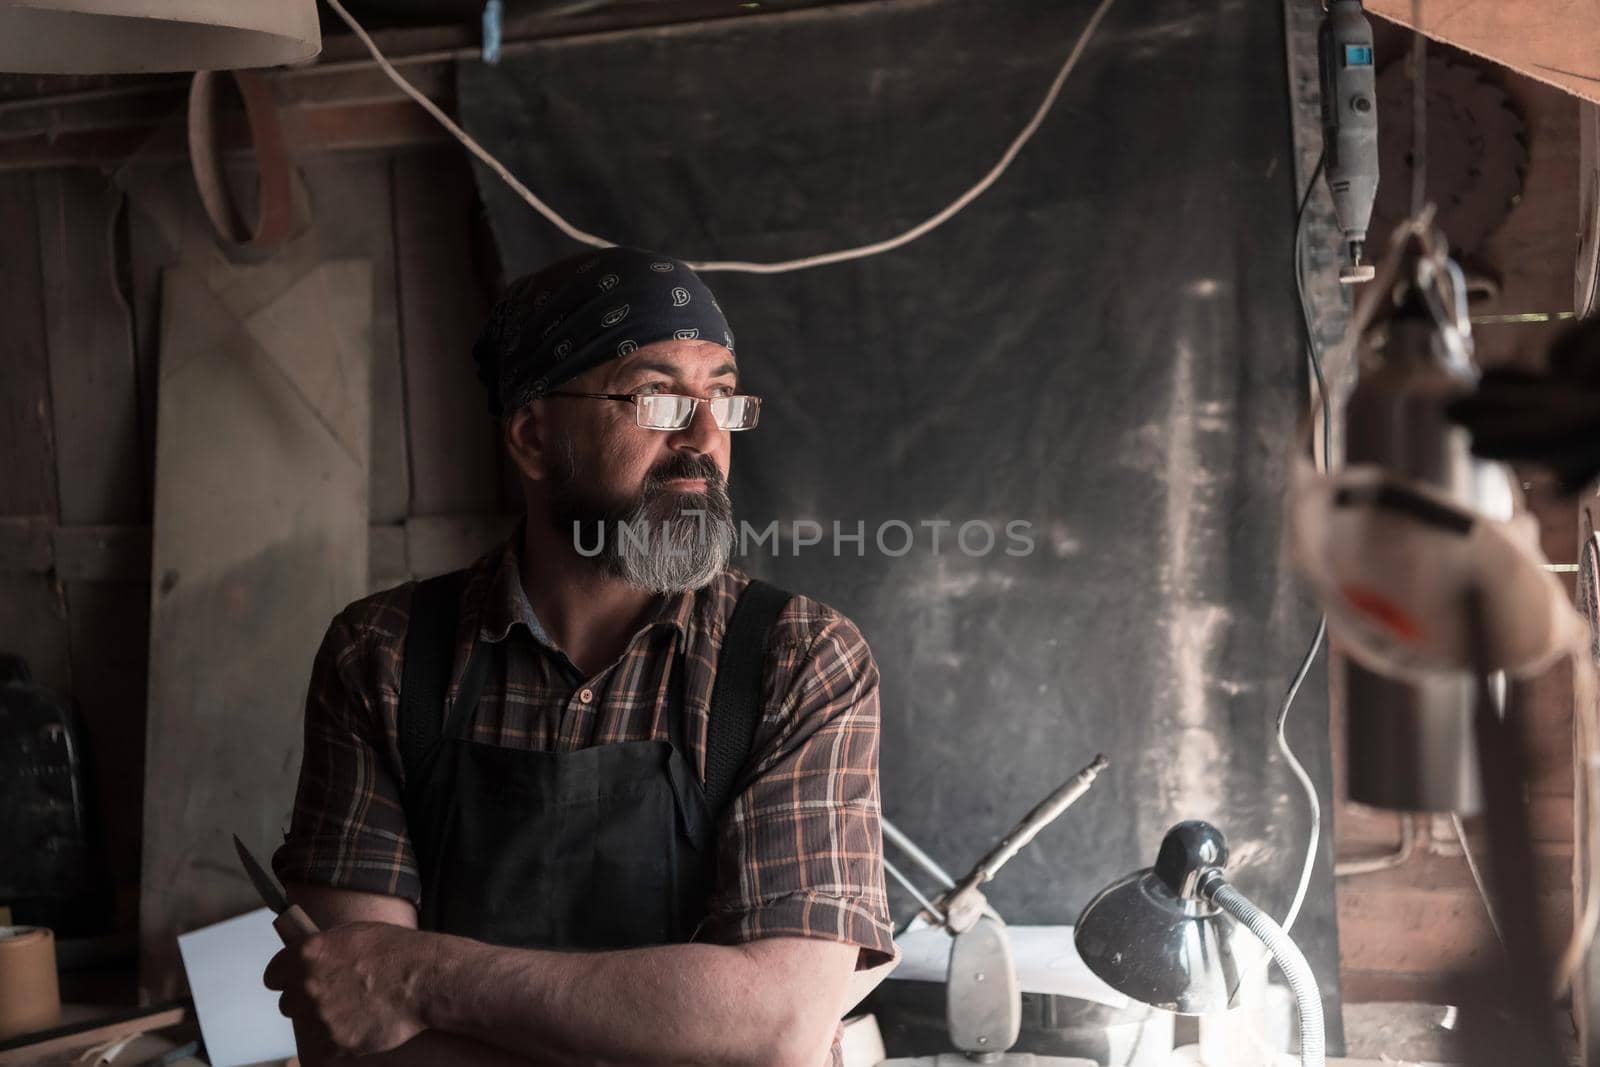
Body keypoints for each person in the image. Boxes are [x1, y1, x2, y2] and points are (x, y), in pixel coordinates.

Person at [264, 246, 895, 1067]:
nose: (706, 436)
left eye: (723, 395)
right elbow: (352, 1025)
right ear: (532, 436)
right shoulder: (381, 657)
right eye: (657, 396)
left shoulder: (797, 657)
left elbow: (774, 1023)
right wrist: (680, 1030)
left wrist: (422, 975)